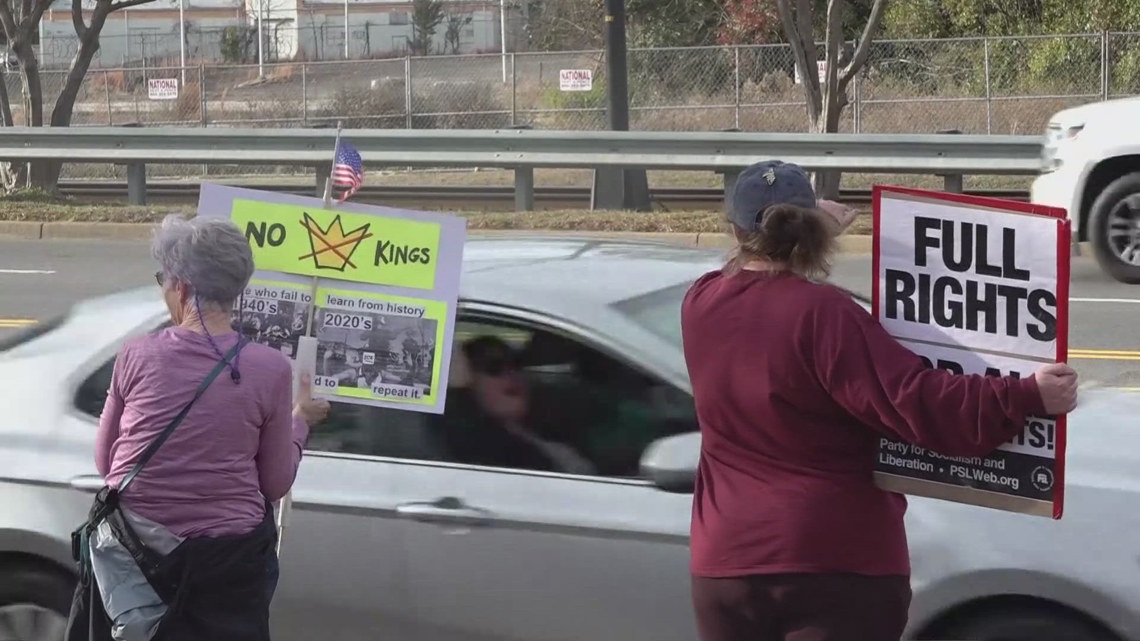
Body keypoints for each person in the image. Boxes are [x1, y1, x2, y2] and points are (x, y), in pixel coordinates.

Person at [679, 160, 1078, 641]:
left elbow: (752, 279)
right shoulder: (826, 316)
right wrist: (1027, 394)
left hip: (724, 568)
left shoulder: (698, 304)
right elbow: (916, 399)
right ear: (809, 232)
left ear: (732, 230)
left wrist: (807, 230)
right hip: (833, 564)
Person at [67, 215, 329, 641]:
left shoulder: (136, 356)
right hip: (229, 574)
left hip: (133, 566)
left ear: (183, 288)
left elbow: (107, 461)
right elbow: (275, 482)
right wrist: (300, 424)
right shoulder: (270, 370)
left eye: (163, 280)